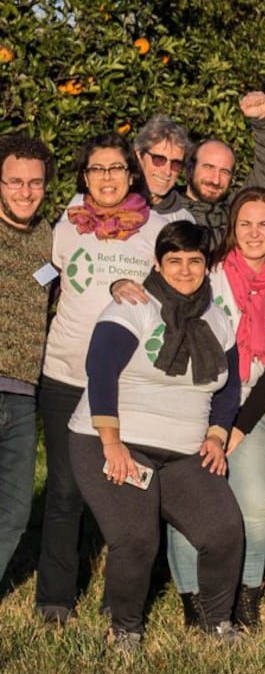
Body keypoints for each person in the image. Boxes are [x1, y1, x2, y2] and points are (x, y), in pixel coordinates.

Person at [36, 135, 190, 625]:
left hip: (127, 381)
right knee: (63, 491)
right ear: (85, 177)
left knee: (128, 494)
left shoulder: (161, 229)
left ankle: (120, 599)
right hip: (64, 374)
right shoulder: (66, 224)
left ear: (132, 175)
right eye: (97, 169)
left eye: (117, 169)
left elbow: (179, 288)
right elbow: (42, 277)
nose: (107, 178)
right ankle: (55, 599)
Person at [67, 221, 243, 649]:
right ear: (158, 264)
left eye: (195, 261)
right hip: (113, 440)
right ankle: (125, 630)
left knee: (224, 529)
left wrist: (217, 435)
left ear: (207, 265)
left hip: (183, 452)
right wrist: (112, 443)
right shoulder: (133, 305)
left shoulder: (217, 319)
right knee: (136, 537)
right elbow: (100, 370)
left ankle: (218, 624)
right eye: (175, 261)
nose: (185, 270)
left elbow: (230, 384)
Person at [162, 188, 265, 629]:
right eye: (245, 224)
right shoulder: (210, 275)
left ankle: (246, 597)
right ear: (232, 229)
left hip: (245, 414)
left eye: (264, 224)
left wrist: (237, 428)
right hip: (195, 406)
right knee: (188, 505)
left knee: (257, 504)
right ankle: (194, 601)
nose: (254, 234)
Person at [0, 134, 53, 590]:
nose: (24, 192)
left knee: (15, 512)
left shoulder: (49, 237)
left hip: (21, 394)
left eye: (34, 183)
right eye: (14, 182)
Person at [182, 90, 265, 249]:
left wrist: (264, 121)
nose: (216, 180)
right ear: (190, 169)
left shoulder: (236, 209)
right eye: (209, 167)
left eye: (225, 172)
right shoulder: (166, 209)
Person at [132, 115, 192, 215]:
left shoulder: (184, 217)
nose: (167, 171)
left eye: (175, 164)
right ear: (139, 155)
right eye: (159, 160)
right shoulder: (110, 202)